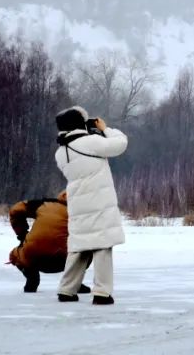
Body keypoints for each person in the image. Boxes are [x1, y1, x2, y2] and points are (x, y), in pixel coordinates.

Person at [54, 105, 129, 305]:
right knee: (102, 246)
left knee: (79, 247)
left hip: (78, 204)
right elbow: (120, 144)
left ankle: (66, 289)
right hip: (99, 203)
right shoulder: (92, 142)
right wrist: (105, 129)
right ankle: (102, 293)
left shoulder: (61, 153)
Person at [6, 191, 90, 295]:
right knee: (88, 250)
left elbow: (16, 209)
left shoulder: (44, 205)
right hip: (63, 260)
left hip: (33, 256)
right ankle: (74, 282)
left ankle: (32, 278)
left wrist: (22, 233)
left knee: (14, 254)